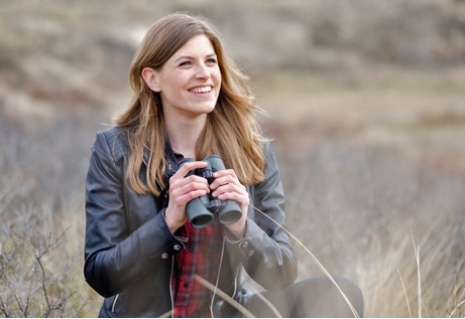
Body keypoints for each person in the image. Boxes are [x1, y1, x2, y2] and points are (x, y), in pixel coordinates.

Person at [84, 12, 364, 318]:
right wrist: (167, 222)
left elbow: (282, 272)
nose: (204, 73)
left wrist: (242, 227)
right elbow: (101, 274)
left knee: (339, 296)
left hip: (224, 313)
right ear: (153, 78)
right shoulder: (115, 151)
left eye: (210, 61)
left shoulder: (251, 151)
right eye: (186, 63)